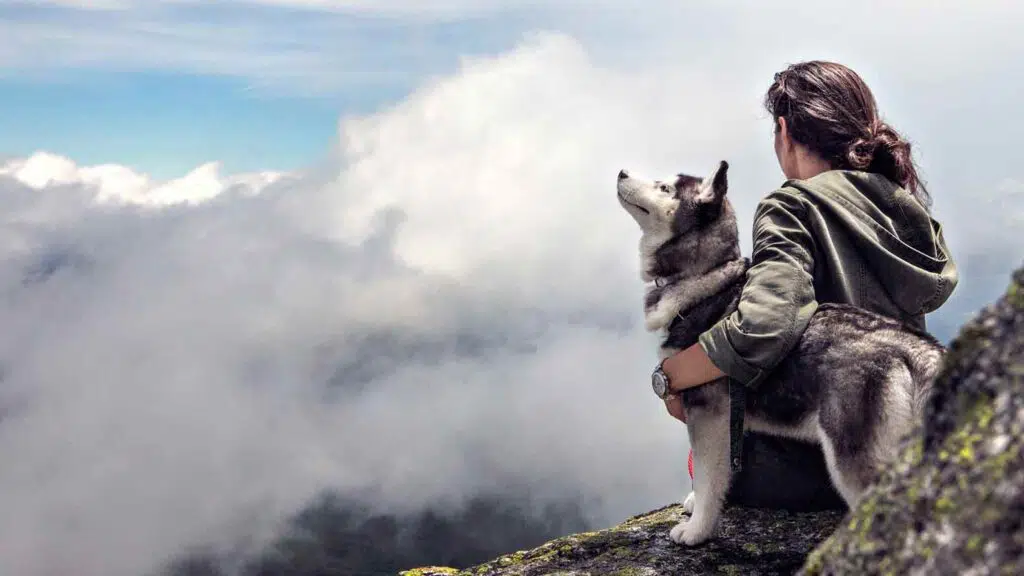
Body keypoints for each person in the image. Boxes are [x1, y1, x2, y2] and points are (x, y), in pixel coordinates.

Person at [656, 60, 959, 510]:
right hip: (900, 451)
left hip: (815, 464)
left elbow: (765, 322)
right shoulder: (903, 208)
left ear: (784, 130)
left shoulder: (791, 205)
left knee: (707, 444)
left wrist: (672, 376)